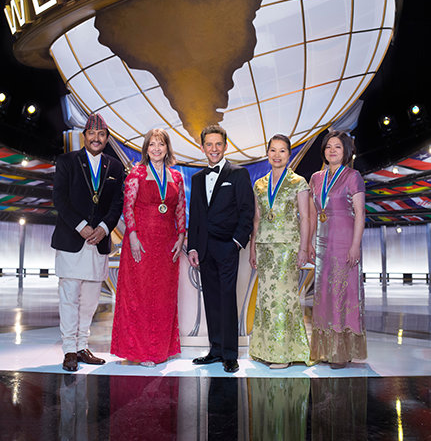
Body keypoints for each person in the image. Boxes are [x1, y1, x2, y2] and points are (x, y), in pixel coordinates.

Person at [51, 113, 124, 372]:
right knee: (69, 298)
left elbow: (117, 203)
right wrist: (81, 226)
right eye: (92, 133)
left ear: (106, 138)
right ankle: (69, 350)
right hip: (72, 239)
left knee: (91, 300)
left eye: (101, 134)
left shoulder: (115, 167)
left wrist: (104, 228)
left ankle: (82, 346)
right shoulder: (67, 161)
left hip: (98, 242)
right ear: (84, 136)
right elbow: (59, 199)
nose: (96, 138)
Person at [111, 129, 186, 366]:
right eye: (152, 144)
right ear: (146, 148)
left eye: (161, 144)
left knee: (164, 296)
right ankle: (142, 351)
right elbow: (128, 207)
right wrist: (132, 235)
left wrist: (181, 236)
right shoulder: (137, 173)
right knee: (140, 295)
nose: (156, 149)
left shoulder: (176, 176)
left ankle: (161, 348)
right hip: (141, 242)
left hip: (167, 244)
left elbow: (180, 208)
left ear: (167, 148)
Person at [187, 125, 254, 373]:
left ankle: (230, 354)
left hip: (227, 246)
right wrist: (193, 247)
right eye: (209, 144)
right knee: (212, 300)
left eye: (218, 144)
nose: (213, 149)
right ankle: (215, 350)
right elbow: (195, 215)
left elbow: (247, 211)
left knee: (227, 299)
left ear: (225, 146)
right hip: (204, 248)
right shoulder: (197, 178)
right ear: (202, 147)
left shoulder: (239, 174)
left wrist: (236, 242)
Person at [249, 134, 311, 368]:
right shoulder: (259, 184)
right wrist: (253, 248)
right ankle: (264, 349)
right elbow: (257, 219)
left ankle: (283, 354)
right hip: (265, 247)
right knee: (266, 298)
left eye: (282, 150)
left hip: (288, 247)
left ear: (289, 154)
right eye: (273, 150)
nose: (277, 155)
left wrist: (303, 248)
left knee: (283, 298)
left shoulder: (299, 182)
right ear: (267, 154)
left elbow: (305, 218)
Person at [308, 130, 366, 368]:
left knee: (343, 293)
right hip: (323, 244)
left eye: (338, 147)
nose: (332, 150)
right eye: (328, 146)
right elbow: (313, 213)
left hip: (345, 242)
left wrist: (355, 245)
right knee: (323, 295)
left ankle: (341, 352)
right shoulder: (316, 178)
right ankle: (325, 350)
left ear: (346, 151)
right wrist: (309, 241)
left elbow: (360, 213)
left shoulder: (353, 176)